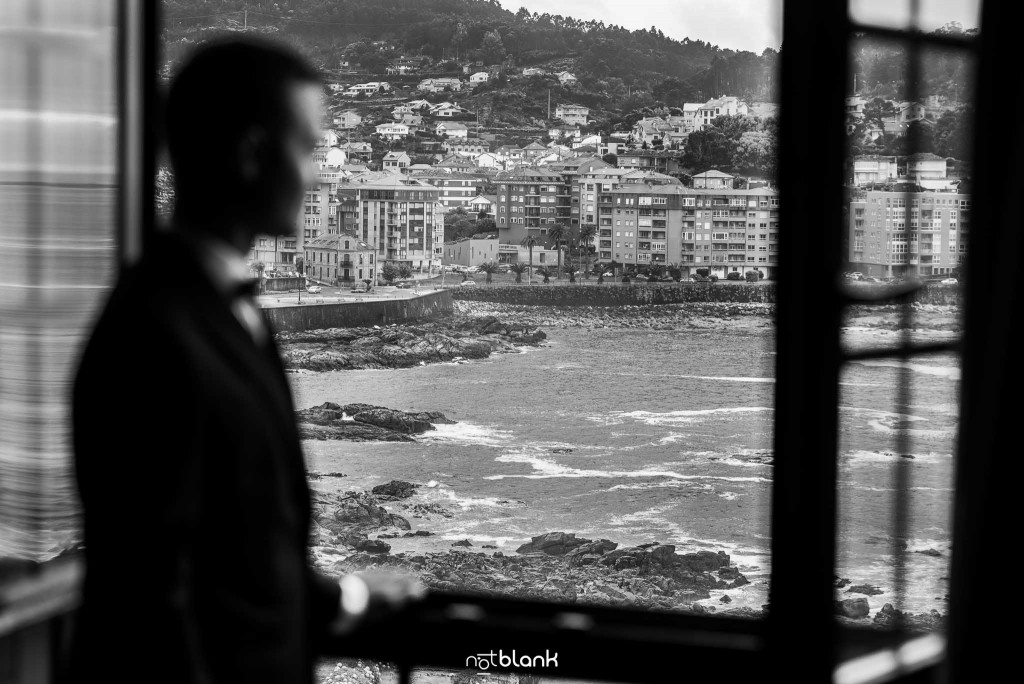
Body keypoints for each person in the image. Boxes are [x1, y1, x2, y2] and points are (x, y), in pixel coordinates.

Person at [72, 37, 422, 684]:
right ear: (252, 154)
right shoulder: (157, 334)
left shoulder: (217, 307)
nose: (317, 174)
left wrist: (351, 597)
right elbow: (152, 600)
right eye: (307, 148)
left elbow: (236, 560)